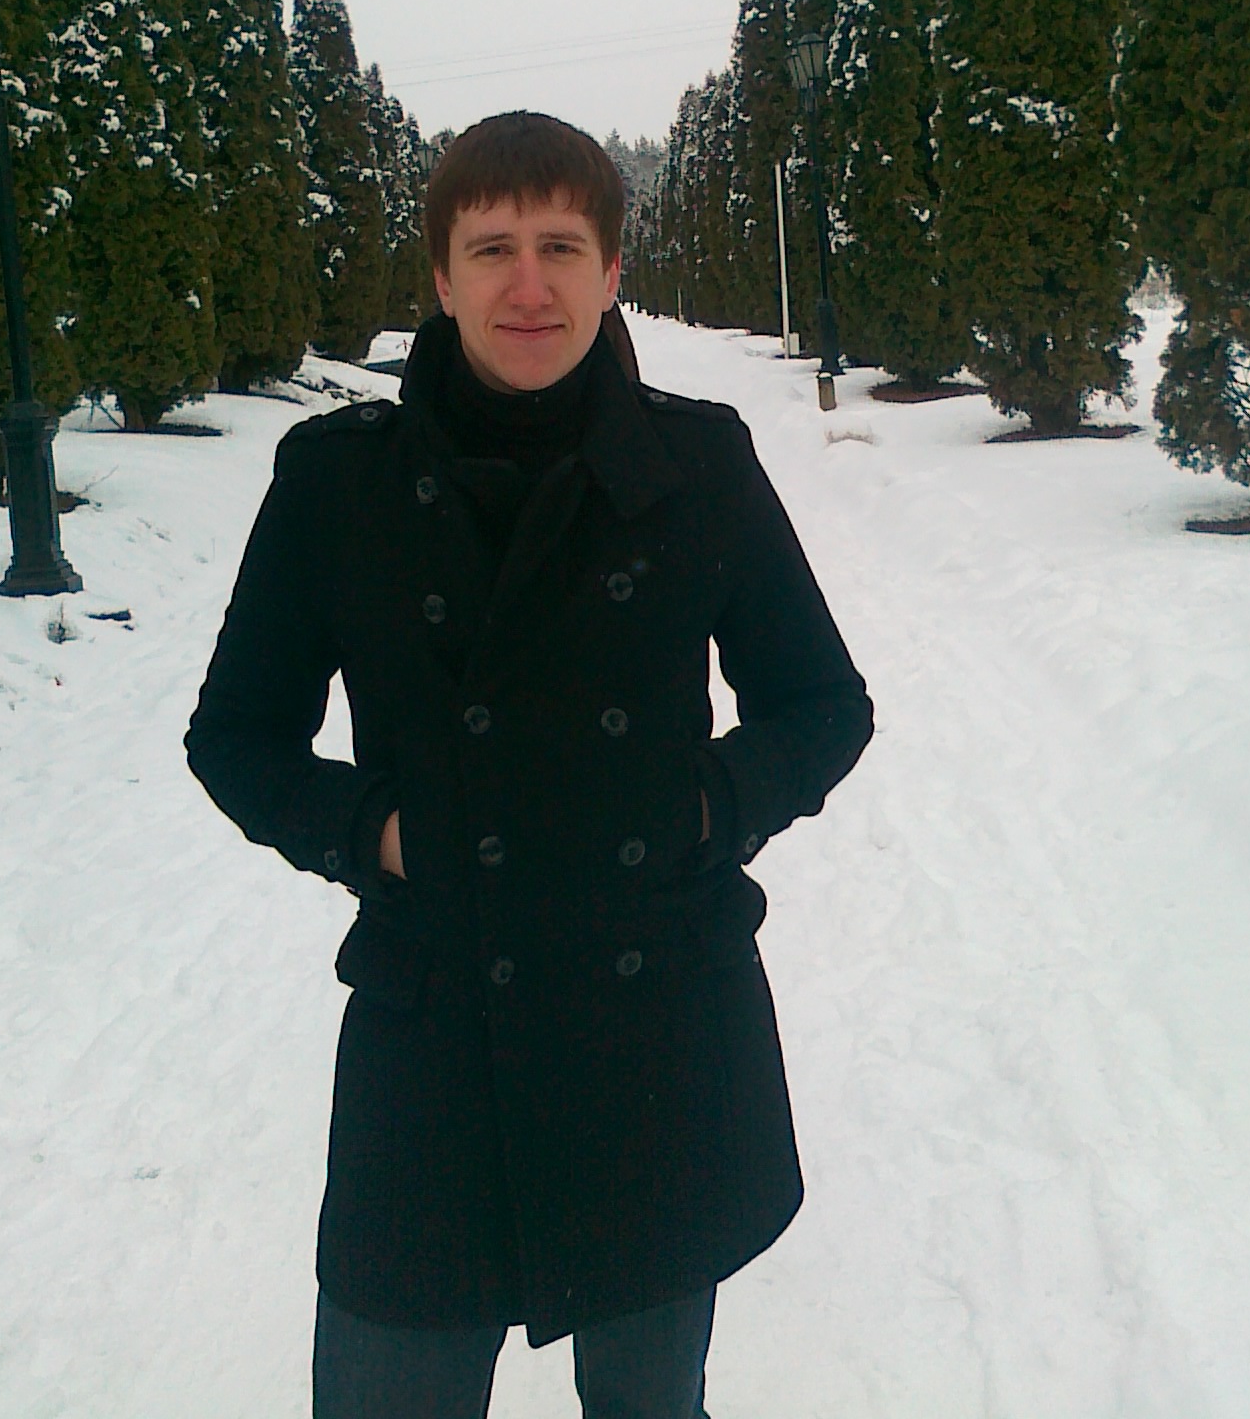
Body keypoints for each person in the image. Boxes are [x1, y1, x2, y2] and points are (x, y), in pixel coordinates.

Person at [185, 111, 874, 1419]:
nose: (528, 283)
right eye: (491, 247)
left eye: (560, 246)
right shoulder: (338, 484)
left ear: (611, 274)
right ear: (441, 280)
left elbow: (821, 705)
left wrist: (706, 807)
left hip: (652, 1029)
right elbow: (235, 737)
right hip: (435, 1028)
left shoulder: (697, 465)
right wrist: (374, 834)